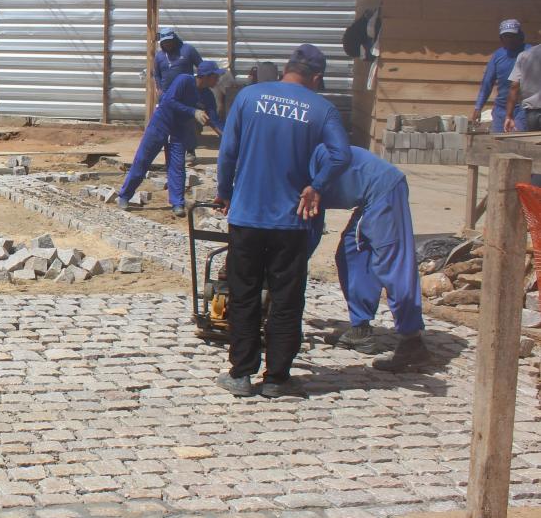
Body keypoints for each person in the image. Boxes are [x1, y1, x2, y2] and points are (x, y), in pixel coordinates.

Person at [216, 44, 351, 398]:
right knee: (286, 297)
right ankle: (277, 378)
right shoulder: (322, 109)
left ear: (287, 69)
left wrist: (225, 191)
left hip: (246, 216)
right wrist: (316, 185)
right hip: (292, 221)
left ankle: (241, 374)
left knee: (244, 294)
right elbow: (341, 155)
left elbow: (228, 151)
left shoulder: (249, 96)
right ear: (317, 78)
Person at [307, 145, 427, 372]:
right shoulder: (295, 164)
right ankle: (361, 329)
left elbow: (310, 230)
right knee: (351, 253)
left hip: (384, 188)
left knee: (393, 263)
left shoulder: (303, 168)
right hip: (367, 197)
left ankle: (412, 340)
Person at [117, 60, 224, 217]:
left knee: (177, 166)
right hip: (160, 125)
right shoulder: (184, 80)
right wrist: (192, 111)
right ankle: (125, 195)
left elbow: (214, 120)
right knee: (143, 160)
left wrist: (227, 136)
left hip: (179, 130)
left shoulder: (207, 95)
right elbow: (168, 101)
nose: (218, 80)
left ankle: (177, 203)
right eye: (216, 76)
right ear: (207, 76)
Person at [475, 19, 527, 133]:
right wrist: (478, 107)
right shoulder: (498, 56)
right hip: (500, 109)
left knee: (518, 143)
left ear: (520, 36)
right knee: (497, 144)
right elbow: (487, 83)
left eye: (512, 36)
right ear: (501, 39)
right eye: (506, 36)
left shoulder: (530, 53)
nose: (509, 40)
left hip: (523, 109)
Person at [503, 20, 541, 132]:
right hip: (532, 111)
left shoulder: (524, 56)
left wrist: (509, 116)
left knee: (534, 147)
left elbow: (514, 86)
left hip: (532, 113)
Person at [152, 26, 204, 92]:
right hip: (166, 96)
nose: (167, 44)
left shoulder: (188, 50)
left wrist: (198, 84)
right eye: (164, 42)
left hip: (186, 94)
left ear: (174, 39)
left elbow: (202, 67)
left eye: (169, 41)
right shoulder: (159, 56)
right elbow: (157, 74)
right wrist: (159, 90)